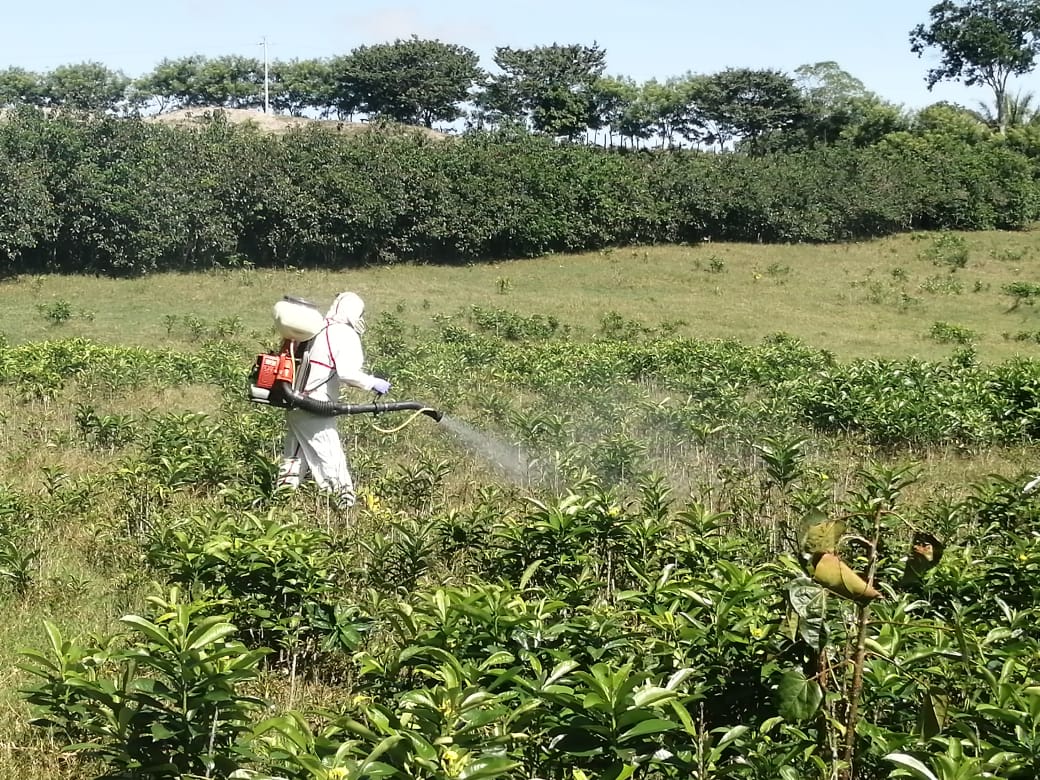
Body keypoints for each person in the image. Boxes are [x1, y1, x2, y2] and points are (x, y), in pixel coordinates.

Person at [276, 291, 391, 507]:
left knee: (295, 456)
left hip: (296, 403)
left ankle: (281, 501)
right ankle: (344, 503)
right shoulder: (344, 334)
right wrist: (372, 382)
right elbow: (347, 373)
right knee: (330, 455)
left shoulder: (317, 328)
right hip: (314, 405)